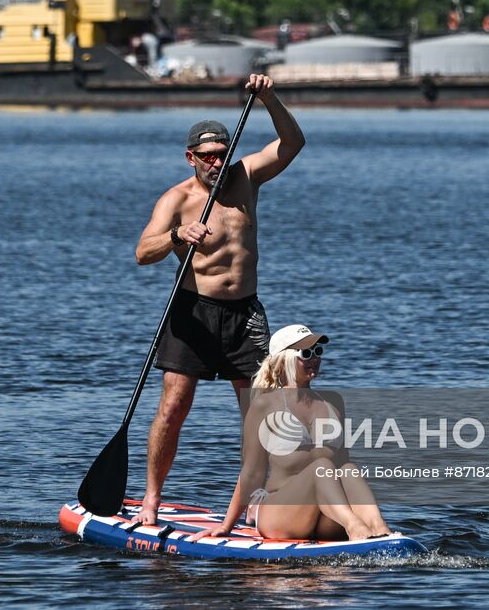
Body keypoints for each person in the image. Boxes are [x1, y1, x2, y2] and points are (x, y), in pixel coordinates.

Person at [133, 73, 305, 526]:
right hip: (193, 312)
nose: (216, 163)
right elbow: (142, 253)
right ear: (191, 158)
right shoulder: (177, 198)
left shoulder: (246, 176)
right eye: (207, 157)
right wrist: (175, 235)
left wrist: (269, 98)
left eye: (221, 154)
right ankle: (151, 498)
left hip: (244, 312)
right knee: (173, 407)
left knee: (259, 410)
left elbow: (292, 143)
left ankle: (253, 499)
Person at [193, 324, 392, 542]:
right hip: (280, 512)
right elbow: (251, 473)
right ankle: (355, 527)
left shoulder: (333, 401)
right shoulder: (264, 405)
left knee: (348, 469)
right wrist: (226, 526)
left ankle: (380, 528)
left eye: (318, 352)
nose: (314, 358)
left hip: (326, 516)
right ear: (283, 359)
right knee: (322, 467)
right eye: (305, 353)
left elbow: (343, 464)